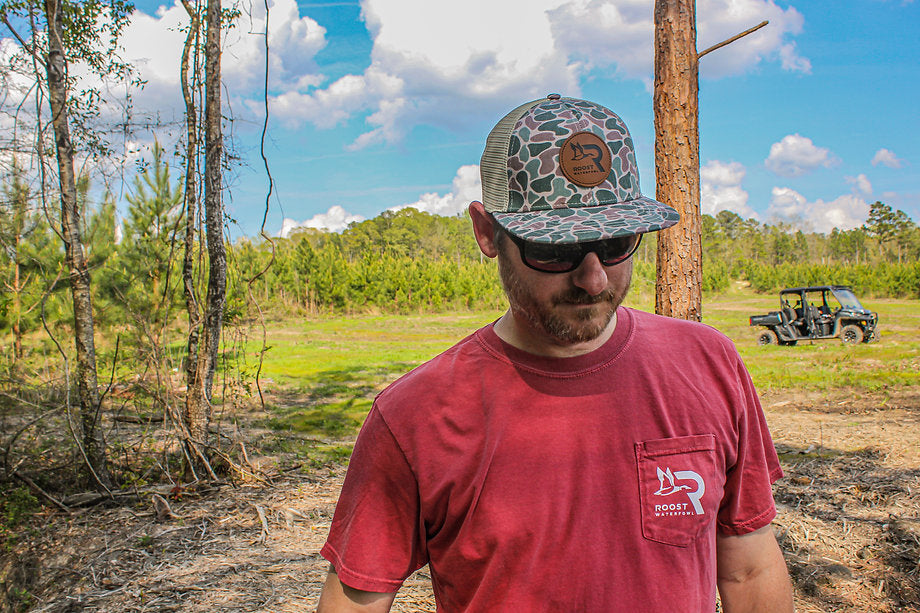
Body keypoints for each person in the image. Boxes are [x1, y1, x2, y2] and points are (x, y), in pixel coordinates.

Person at [317, 94, 793, 612]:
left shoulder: (708, 364)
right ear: (487, 231)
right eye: (555, 249)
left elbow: (749, 565)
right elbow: (357, 600)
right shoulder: (415, 414)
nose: (593, 280)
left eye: (616, 244)